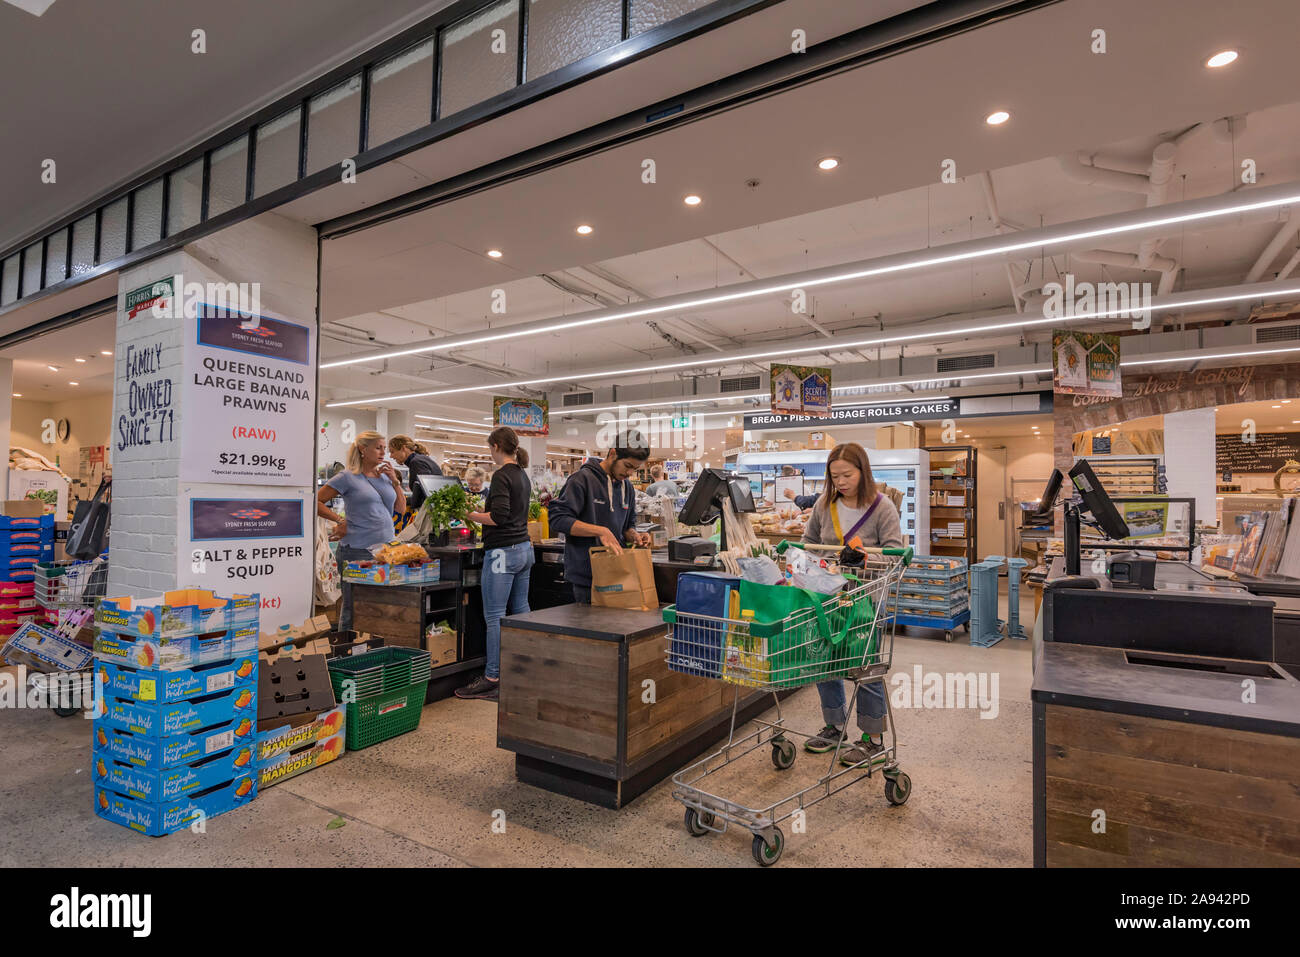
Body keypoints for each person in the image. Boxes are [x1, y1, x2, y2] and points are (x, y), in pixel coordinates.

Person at [800, 442, 902, 767]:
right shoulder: (823, 504)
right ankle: (834, 726)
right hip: (827, 598)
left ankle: (873, 739)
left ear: (863, 471)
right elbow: (807, 544)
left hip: (864, 601)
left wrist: (858, 561)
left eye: (847, 474)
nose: (841, 482)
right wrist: (811, 564)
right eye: (835, 476)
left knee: (864, 668)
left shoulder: (882, 507)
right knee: (823, 663)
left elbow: (894, 554)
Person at [455, 427, 533, 701]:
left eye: (491, 448)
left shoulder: (501, 475)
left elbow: (498, 517)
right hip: (524, 548)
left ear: (497, 446)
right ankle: (522, 670)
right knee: (521, 611)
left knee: (495, 616)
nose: (491, 453)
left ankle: (492, 677)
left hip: (502, 552)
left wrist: (470, 514)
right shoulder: (522, 474)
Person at [547, 431, 653, 603]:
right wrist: (599, 531)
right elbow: (558, 519)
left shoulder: (628, 488)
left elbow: (627, 526)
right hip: (586, 578)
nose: (630, 473)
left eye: (635, 469)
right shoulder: (581, 480)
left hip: (618, 573)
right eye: (627, 466)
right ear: (613, 454)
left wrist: (635, 535)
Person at [317, 430, 406, 632]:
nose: (383, 452)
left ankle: (372, 647)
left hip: (385, 551)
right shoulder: (347, 477)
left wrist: (395, 481)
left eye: (384, 448)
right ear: (362, 449)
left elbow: (400, 509)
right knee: (353, 607)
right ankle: (346, 651)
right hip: (357, 551)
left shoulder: (384, 477)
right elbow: (317, 501)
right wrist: (339, 520)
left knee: (379, 606)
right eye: (378, 448)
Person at [388, 435, 442, 513]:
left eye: (392, 452)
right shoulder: (421, 459)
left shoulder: (416, 462)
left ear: (403, 448)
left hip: (431, 513)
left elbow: (423, 495)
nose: (391, 456)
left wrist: (399, 501)